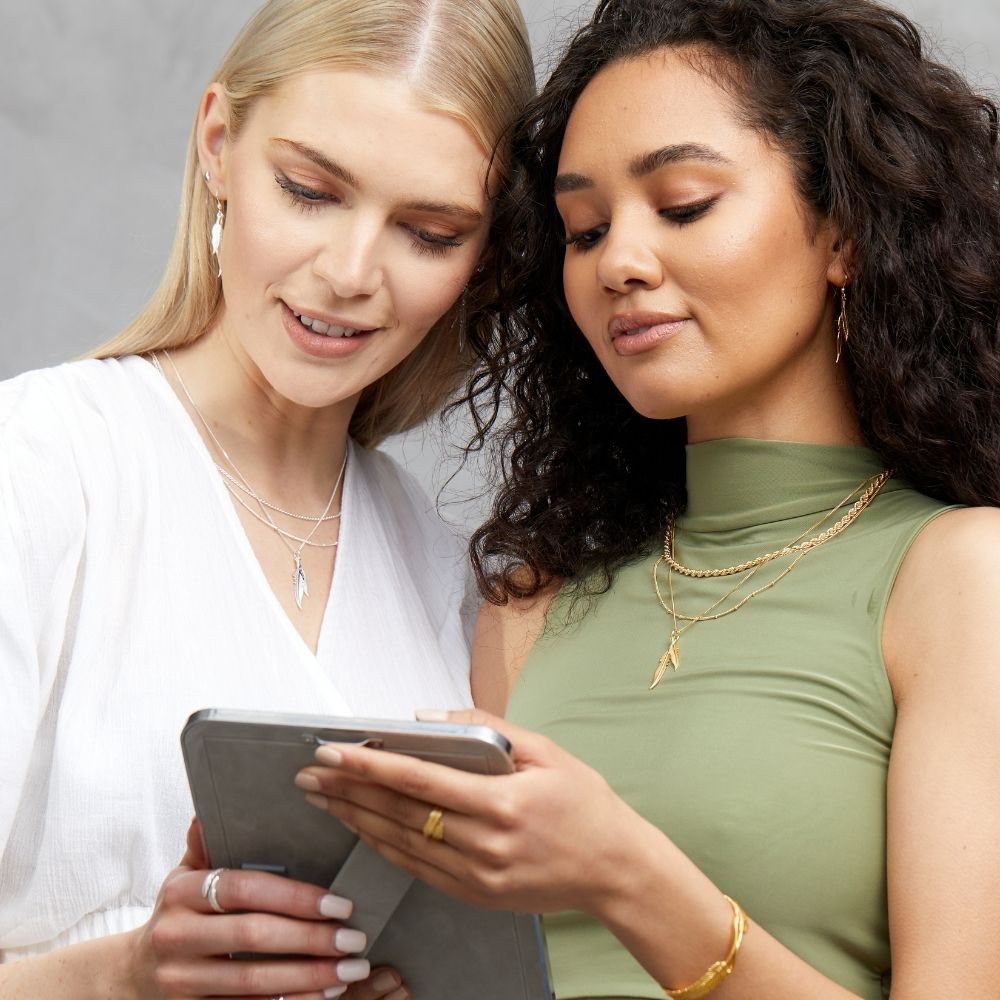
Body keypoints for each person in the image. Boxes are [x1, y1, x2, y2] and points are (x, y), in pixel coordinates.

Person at [294, 1, 1000, 997]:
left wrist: (626, 873)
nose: (619, 262)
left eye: (681, 204)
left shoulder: (959, 577)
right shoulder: (530, 605)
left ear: (841, 230)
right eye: (585, 229)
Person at [0, 0, 533, 996]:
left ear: (481, 258)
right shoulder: (40, 466)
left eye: (427, 231)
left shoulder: (438, 568)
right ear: (217, 144)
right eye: (308, 190)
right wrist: (119, 977)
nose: (348, 273)